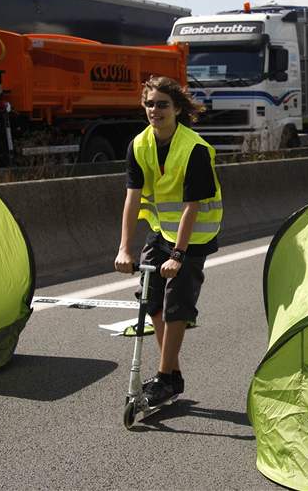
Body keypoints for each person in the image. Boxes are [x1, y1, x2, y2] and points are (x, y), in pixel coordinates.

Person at [114, 75, 222, 407]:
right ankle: (171, 376)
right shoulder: (139, 145)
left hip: (195, 235)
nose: (155, 110)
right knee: (151, 301)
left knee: (177, 304)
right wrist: (124, 248)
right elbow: (132, 198)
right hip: (162, 231)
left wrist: (178, 254)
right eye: (150, 104)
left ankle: (163, 378)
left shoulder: (194, 149)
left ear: (176, 108)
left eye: (162, 104)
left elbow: (192, 207)